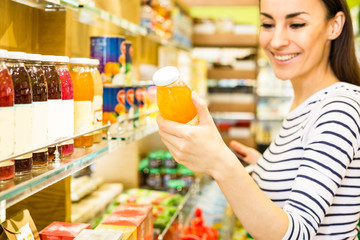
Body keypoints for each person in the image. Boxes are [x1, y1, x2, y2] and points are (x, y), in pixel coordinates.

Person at [157, 0, 360, 239]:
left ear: (334, 26)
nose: (276, 41)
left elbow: (297, 234)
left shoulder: (338, 109)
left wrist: (221, 163)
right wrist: (265, 167)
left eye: (296, 24)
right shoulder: (306, 104)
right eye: (267, 24)